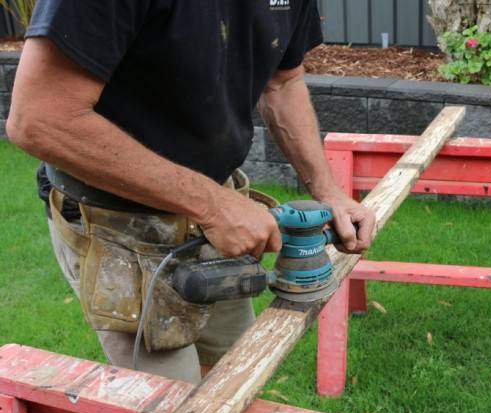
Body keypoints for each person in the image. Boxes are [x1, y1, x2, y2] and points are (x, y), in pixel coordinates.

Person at [7, 0, 375, 384]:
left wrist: (327, 191)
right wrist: (212, 205)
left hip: (215, 212)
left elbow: (282, 81)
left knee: (233, 379)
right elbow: (39, 119)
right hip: (119, 225)